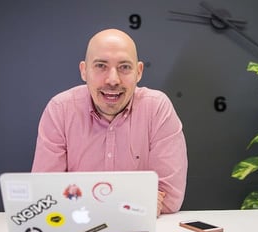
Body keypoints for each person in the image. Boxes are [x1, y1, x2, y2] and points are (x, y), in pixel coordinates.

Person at [31, 28, 187, 216]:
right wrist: (136, 201)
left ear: (138, 72)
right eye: (101, 66)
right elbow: (45, 194)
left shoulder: (157, 108)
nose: (113, 80)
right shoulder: (60, 109)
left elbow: (169, 198)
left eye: (124, 67)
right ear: (84, 71)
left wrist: (82, 201)